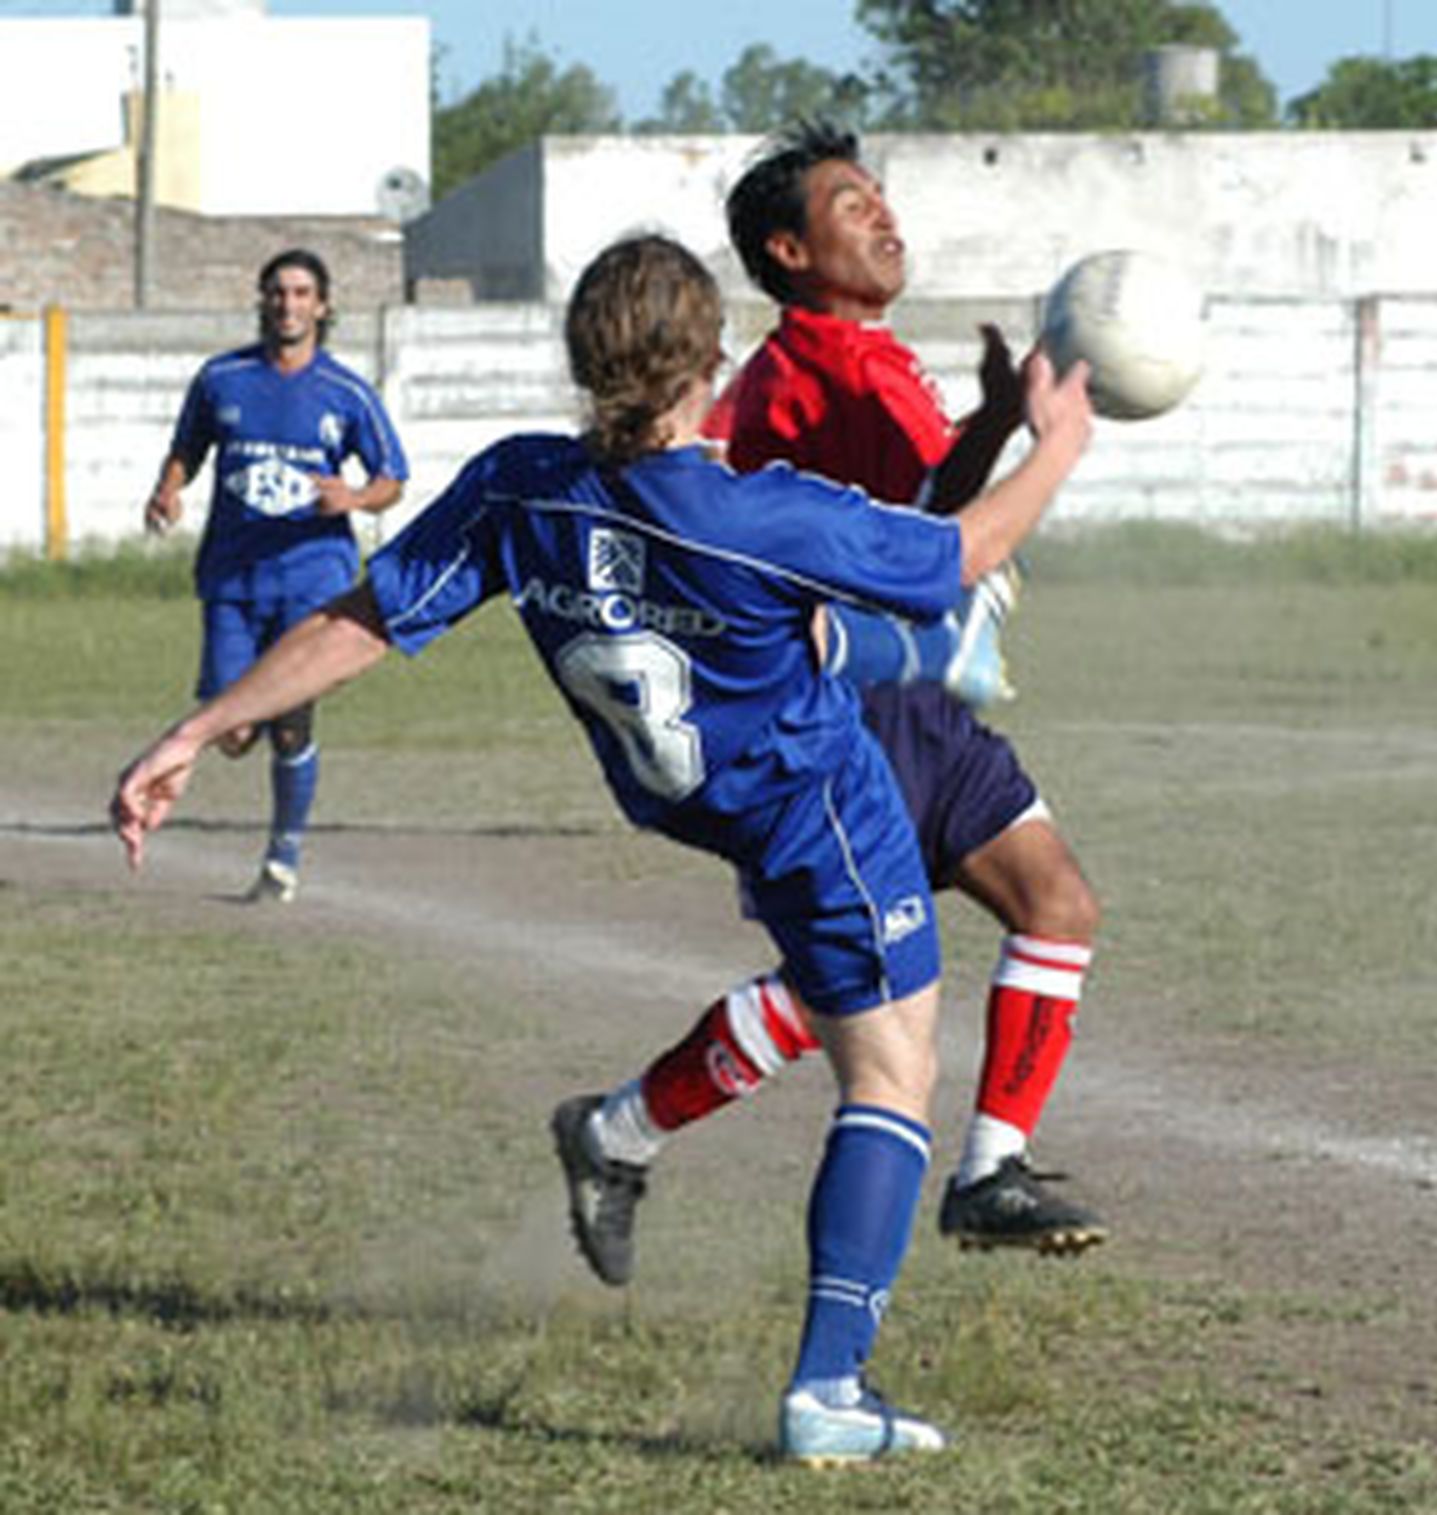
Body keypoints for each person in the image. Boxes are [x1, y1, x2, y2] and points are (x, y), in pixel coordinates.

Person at [112, 234, 1093, 1463]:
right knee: (893, 1074)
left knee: (821, 686)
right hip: (816, 810)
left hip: (691, 791)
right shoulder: (757, 511)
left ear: (586, 362)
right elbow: (963, 552)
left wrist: (202, 725)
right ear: (709, 365)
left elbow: (367, 616)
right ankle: (829, 1392)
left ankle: (623, 1134)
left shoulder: (519, 488)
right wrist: (1057, 441)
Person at [559, 122, 1107, 1274]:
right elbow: (946, 544)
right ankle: (619, 1130)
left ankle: (991, 1167)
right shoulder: (819, 365)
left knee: (1052, 904)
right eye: (850, 203)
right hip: (844, 717)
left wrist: (996, 424)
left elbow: (911, 502)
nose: (884, 214)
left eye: (880, 195)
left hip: (913, 703)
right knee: (839, 994)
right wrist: (1046, 447)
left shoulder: (865, 357)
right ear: (788, 251)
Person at [144, 247, 409, 903]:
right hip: (232, 577)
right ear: (262, 301)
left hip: (311, 577)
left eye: (300, 293)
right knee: (232, 731)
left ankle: (283, 854)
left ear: (321, 306)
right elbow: (188, 448)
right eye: (277, 292)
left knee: (290, 717)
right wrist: (167, 489)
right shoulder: (221, 378)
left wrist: (353, 498)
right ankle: (268, 785)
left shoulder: (344, 392)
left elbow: (393, 478)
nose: (287, 305)